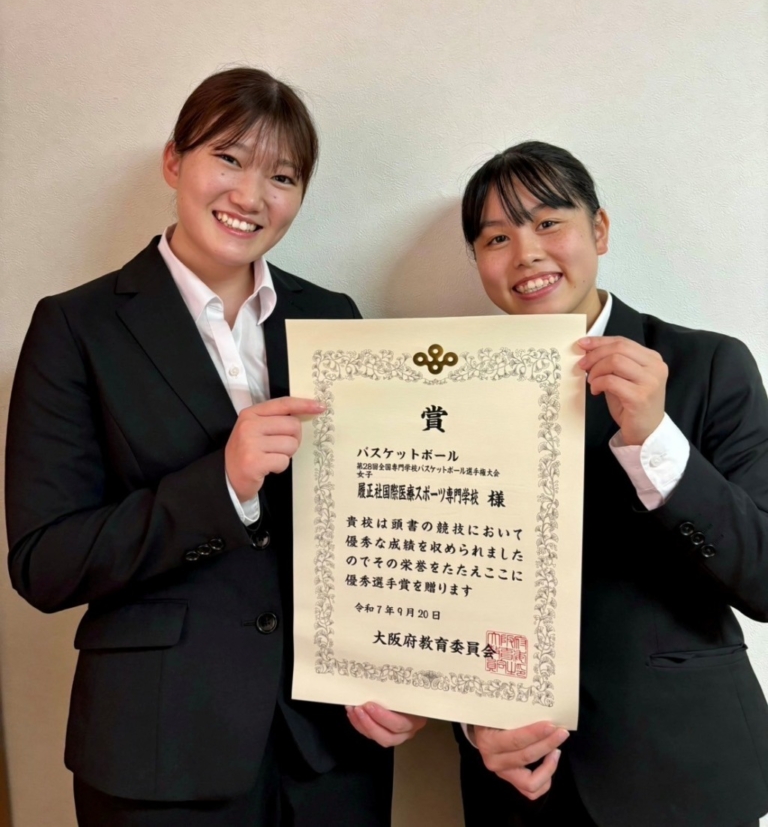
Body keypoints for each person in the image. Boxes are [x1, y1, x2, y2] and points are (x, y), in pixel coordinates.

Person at [5, 67, 424, 826]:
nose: (252, 195)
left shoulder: (334, 319)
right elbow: (45, 562)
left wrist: (405, 672)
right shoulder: (76, 327)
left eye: (283, 176)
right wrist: (221, 484)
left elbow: (384, 517)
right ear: (175, 162)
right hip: (158, 746)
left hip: (332, 746)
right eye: (229, 158)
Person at [454, 141, 768, 827]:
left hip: (682, 768)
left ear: (598, 229)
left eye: (548, 223)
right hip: (522, 781)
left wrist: (655, 438)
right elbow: (439, 589)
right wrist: (473, 726)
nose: (526, 253)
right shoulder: (448, 393)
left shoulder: (707, 364)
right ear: (478, 261)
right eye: (497, 238)